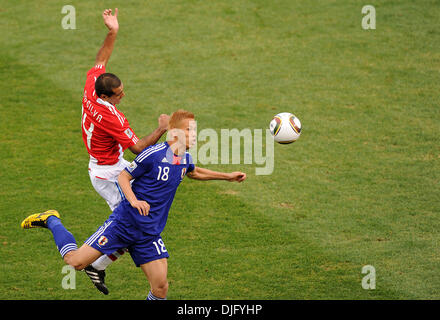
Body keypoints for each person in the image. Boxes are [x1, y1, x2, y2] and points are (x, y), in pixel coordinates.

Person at [21, 109, 246, 300]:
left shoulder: (184, 158)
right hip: (123, 224)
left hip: (149, 233)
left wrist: (228, 176)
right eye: (189, 130)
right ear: (174, 132)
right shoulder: (154, 154)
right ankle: (51, 219)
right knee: (75, 263)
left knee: (160, 288)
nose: (194, 135)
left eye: (195, 130)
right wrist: (134, 200)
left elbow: (194, 172)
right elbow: (123, 178)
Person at [80, 8, 169, 293]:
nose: (123, 95)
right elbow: (137, 147)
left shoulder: (91, 85)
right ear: (106, 97)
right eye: (119, 94)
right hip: (107, 172)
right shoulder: (111, 116)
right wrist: (162, 128)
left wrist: (112, 31)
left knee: (137, 217)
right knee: (132, 221)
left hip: (109, 164)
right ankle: (90, 262)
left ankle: (98, 264)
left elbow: (100, 59)